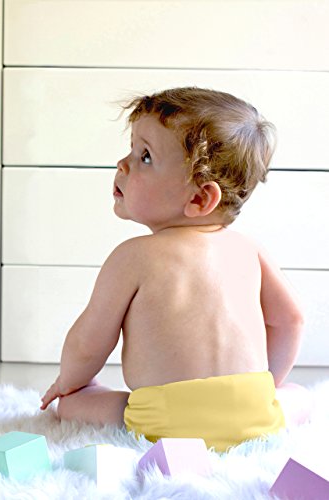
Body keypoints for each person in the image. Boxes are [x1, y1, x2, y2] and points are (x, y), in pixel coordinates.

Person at [40, 87, 313, 452]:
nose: (122, 164)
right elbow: (291, 320)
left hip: (164, 422)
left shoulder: (132, 257)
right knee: (297, 395)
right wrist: (266, 387)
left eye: (145, 156)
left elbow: (88, 343)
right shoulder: (250, 249)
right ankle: (267, 405)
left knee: (74, 404)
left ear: (199, 198)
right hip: (253, 416)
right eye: (132, 150)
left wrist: (69, 383)